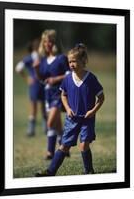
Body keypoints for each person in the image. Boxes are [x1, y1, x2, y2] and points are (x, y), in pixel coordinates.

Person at [35, 43, 105, 176]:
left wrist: (93, 111)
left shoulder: (91, 78)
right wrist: (67, 108)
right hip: (71, 118)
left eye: (74, 61)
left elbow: (101, 97)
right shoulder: (67, 79)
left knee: (84, 145)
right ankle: (50, 171)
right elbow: (63, 95)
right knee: (64, 145)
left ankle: (89, 171)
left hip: (87, 119)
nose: (71, 64)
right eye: (69, 61)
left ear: (83, 61)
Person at [33, 29, 70, 159]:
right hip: (48, 94)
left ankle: (50, 152)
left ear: (54, 42)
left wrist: (55, 79)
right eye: (45, 41)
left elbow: (69, 74)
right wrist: (37, 70)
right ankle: (64, 147)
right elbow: (42, 79)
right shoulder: (43, 60)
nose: (47, 44)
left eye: (50, 41)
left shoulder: (61, 58)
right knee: (56, 124)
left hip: (60, 93)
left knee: (49, 123)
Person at [15, 39, 47, 136]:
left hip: (43, 84)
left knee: (42, 107)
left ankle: (46, 128)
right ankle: (31, 130)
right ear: (36, 47)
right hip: (35, 85)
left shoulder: (43, 57)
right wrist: (26, 78)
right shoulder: (30, 58)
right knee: (34, 107)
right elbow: (18, 68)